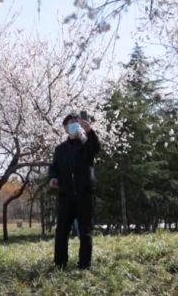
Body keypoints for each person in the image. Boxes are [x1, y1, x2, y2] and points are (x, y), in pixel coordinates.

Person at [49, 112, 101, 270]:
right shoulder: (60, 149)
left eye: (76, 122)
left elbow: (96, 148)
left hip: (85, 193)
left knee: (85, 231)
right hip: (66, 195)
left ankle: (84, 265)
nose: (73, 125)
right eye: (70, 123)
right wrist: (53, 177)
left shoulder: (86, 144)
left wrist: (90, 131)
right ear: (65, 128)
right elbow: (54, 167)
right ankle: (60, 264)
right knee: (62, 231)